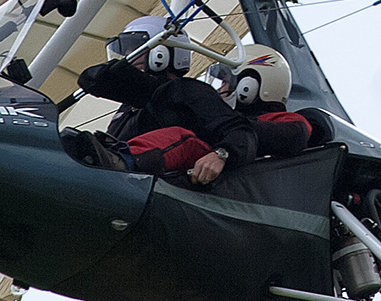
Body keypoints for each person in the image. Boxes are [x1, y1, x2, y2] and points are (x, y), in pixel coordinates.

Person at [78, 16, 257, 184]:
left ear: (160, 54)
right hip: (119, 180)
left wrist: (221, 154)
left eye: (135, 50)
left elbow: (240, 131)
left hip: (168, 183)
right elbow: (93, 79)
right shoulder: (129, 108)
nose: (128, 58)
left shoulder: (187, 90)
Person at [202, 46, 314, 158]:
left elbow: (295, 135)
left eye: (225, 83)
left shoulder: (290, 123)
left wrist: (219, 127)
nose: (218, 91)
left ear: (247, 86)